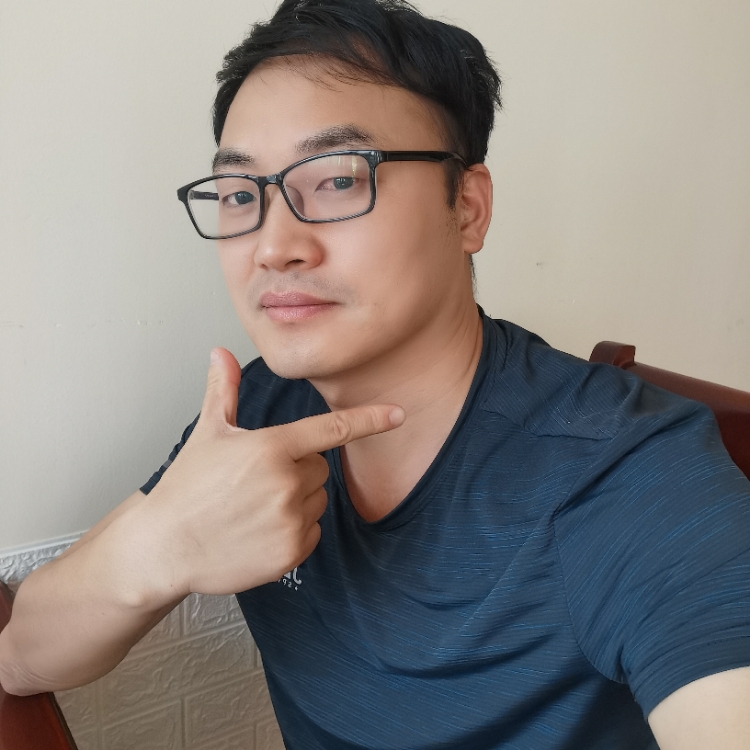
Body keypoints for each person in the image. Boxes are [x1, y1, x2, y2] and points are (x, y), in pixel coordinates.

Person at [1, 0, 749, 747]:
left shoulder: (625, 474)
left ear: (468, 208)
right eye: (239, 195)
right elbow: (22, 657)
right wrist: (161, 544)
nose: (273, 246)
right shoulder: (257, 410)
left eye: (336, 180)